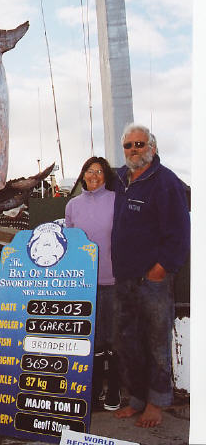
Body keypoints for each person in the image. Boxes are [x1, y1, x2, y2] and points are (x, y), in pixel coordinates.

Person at [112, 123, 190, 428]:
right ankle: (136, 399)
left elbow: (180, 233)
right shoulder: (120, 178)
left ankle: (157, 402)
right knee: (127, 342)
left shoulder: (166, 182)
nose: (134, 150)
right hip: (124, 279)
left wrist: (160, 270)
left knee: (156, 343)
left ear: (152, 147)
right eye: (129, 145)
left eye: (140, 144)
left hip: (152, 281)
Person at [64, 156, 120, 411]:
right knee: (92, 339)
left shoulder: (117, 200)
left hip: (115, 280)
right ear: (83, 174)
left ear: (106, 175)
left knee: (114, 338)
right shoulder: (72, 205)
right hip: (84, 284)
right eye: (89, 170)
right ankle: (94, 389)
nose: (94, 175)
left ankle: (114, 391)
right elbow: (68, 245)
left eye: (99, 171)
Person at [0, 204, 30, 304]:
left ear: (21, 209)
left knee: (20, 301)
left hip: (22, 269)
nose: (11, 217)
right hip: (0, 266)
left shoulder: (29, 220)